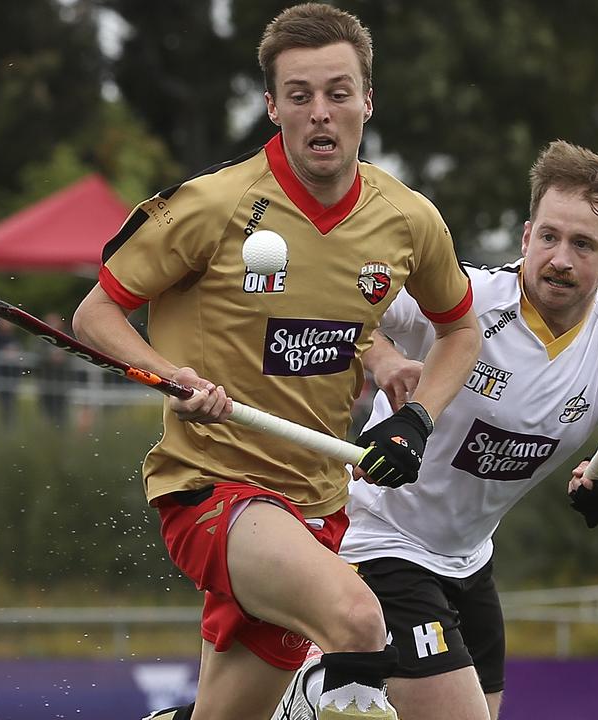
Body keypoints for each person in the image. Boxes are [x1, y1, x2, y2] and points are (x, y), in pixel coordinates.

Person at [72, 5, 480, 719]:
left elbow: (461, 331)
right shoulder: (214, 205)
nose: (321, 114)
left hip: (318, 507)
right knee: (358, 620)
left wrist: (415, 419)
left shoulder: (409, 219)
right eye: (300, 96)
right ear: (272, 106)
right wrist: (171, 376)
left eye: (338, 93)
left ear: (367, 100)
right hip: (211, 488)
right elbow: (95, 314)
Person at [274, 140, 598, 720]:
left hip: (468, 561)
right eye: (549, 237)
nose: (560, 259)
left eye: (583, 244)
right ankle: (307, 694)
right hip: (379, 537)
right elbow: (348, 312)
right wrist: (383, 364)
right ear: (526, 236)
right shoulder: (469, 298)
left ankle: (287, 703)